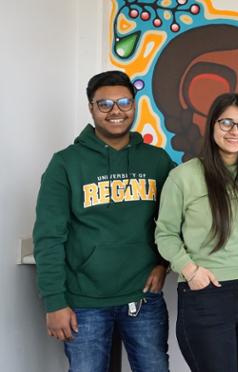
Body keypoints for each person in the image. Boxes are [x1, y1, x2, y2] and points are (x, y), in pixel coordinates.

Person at [33, 70, 174, 371]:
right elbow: (49, 236)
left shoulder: (157, 160)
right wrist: (55, 302)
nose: (116, 111)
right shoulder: (65, 164)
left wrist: (164, 264)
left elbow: (180, 217)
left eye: (124, 102)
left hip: (143, 299)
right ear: (91, 108)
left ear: (135, 105)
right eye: (104, 104)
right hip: (84, 302)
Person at [155, 93, 238, 372]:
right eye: (226, 123)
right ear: (211, 126)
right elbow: (164, 234)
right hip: (207, 294)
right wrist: (190, 270)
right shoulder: (183, 177)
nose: (234, 131)